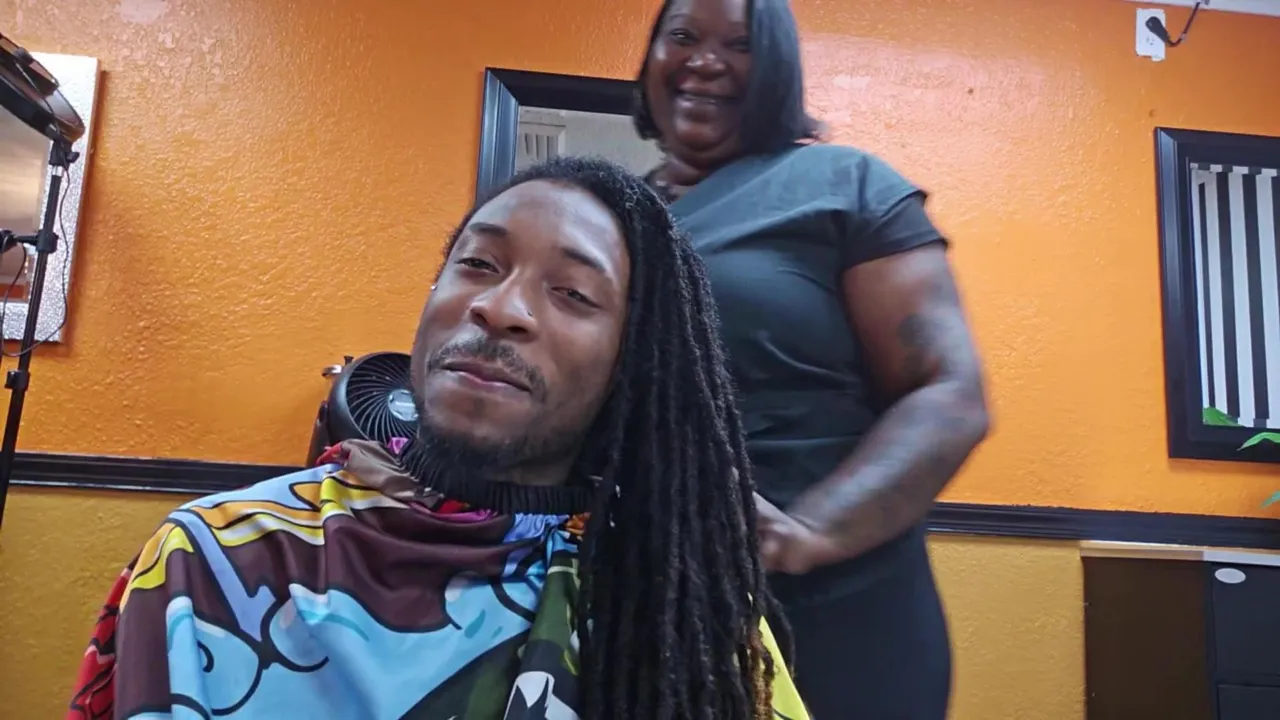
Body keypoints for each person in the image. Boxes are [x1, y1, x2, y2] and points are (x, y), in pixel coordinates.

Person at [66, 157, 809, 720]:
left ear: (633, 365)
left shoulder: (685, 610)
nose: (499, 307)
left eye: (573, 293)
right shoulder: (214, 561)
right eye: (478, 264)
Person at [634, 0, 992, 717]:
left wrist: (808, 533)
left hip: (833, 608)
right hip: (647, 599)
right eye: (683, 36)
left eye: (739, 44)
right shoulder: (611, 213)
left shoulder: (847, 186)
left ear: (778, 68)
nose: (704, 61)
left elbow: (950, 393)